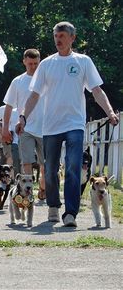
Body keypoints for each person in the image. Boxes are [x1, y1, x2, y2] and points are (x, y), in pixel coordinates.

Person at [18, 21, 119, 227]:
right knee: (51, 169)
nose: (58, 39)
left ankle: (70, 213)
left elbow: (96, 90)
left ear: (72, 38)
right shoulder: (46, 64)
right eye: (56, 36)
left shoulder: (83, 61)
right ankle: (54, 206)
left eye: (62, 36)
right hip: (51, 126)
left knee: (74, 167)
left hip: (75, 124)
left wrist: (109, 111)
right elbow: (34, 95)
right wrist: (23, 117)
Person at [2, 49, 46, 199]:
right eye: (30, 64)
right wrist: (5, 129)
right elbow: (8, 106)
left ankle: (42, 187)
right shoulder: (18, 81)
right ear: (24, 62)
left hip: (45, 128)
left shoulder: (46, 79)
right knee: (26, 162)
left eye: (36, 64)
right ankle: (27, 193)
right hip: (25, 128)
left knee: (44, 164)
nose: (33, 67)